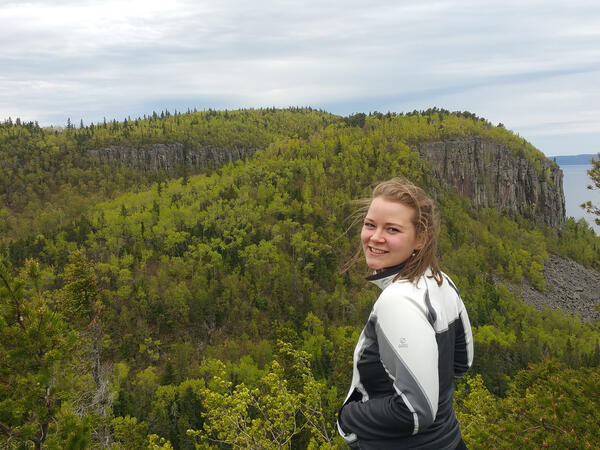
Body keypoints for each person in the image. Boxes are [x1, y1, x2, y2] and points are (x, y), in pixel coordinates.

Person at [337, 178, 474, 449]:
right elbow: (462, 363)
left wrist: (348, 418)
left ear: (420, 239)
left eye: (392, 229)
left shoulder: (398, 301)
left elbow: (415, 412)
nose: (375, 237)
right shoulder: (441, 281)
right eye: (370, 225)